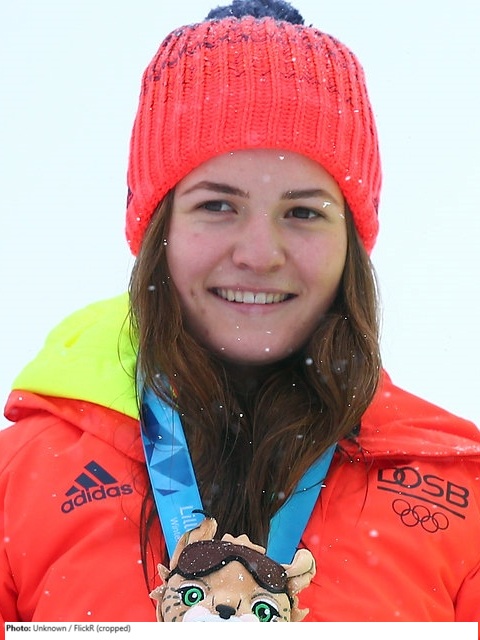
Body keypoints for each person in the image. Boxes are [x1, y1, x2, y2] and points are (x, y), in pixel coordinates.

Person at [1, 0, 479, 624]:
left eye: (303, 212)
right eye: (217, 206)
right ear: (158, 230)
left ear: (351, 243)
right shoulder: (21, 483)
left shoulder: (459, 499)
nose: (259, 253)